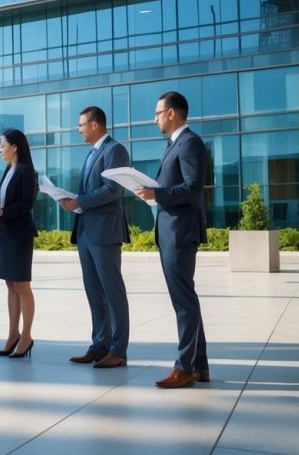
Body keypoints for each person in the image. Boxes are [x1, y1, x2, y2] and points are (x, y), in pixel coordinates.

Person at [135, 91, 210, 389]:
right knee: (185, 300)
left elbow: (193, 187)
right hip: (170, 229)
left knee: (184, 302)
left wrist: (158, 194)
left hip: (180, 232)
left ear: (172, 113)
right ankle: (199, 365)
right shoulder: (174, 144)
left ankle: (184, 368)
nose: (154, 118)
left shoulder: (190, 143)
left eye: (157, 113)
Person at [59, 106, 131, 369]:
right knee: (94, 293)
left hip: (105, 232)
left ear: (95, 125)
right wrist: (74, 201)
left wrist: (80, 201)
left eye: (81, 125)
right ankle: (100, 345)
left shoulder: (115, 151)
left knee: (113, 293)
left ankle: (118, 350)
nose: (79, 130)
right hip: (87, 231)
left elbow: (113, 189)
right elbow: (89, 192)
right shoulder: (91, 154)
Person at [0, 129, 38, 359]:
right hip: (6, 232)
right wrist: (0, 212)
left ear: (15, 146)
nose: (0, 150)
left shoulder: (26, 171)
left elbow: (27, 203)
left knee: (22, 285)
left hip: (20, 234)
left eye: (2, 145)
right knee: (10, 284)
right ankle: (12, 334)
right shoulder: (9, 170)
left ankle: (26, 336)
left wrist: (3, 211)